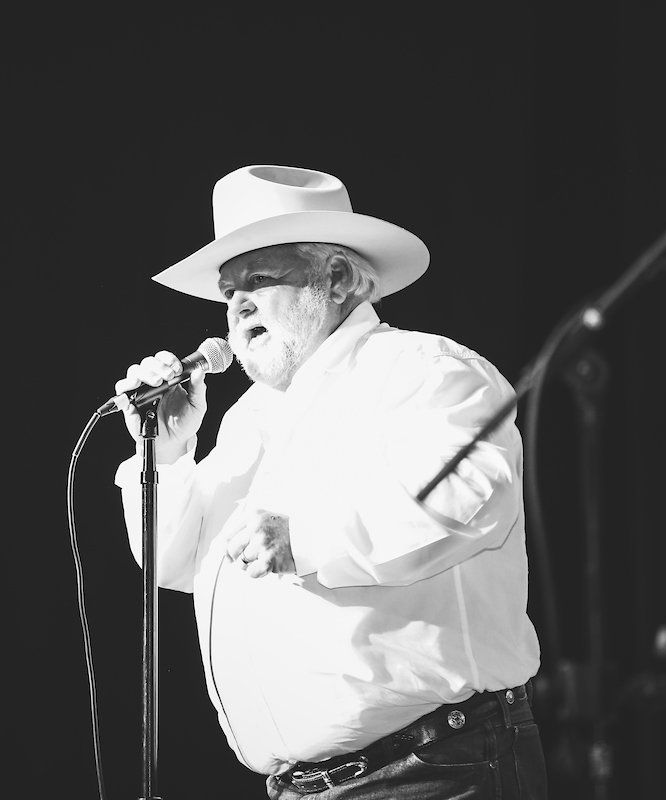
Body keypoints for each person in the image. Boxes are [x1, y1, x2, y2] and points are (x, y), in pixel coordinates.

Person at [111, 165, 546, 799]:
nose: (237, 305)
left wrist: (305, 538)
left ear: (336, 278)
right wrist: (168, 456)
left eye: (259, 279)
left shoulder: (425, 371)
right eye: (229, 290)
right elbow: (169, 561)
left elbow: (468, 498)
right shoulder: (246, 420)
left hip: (433, 773)